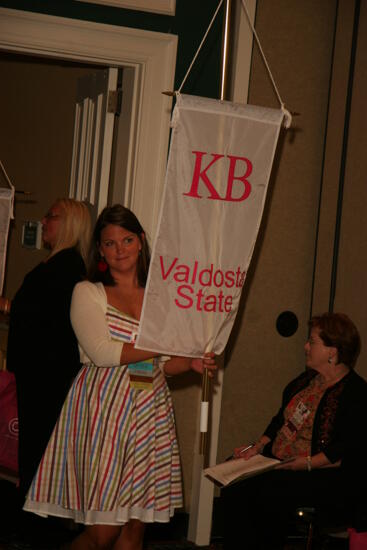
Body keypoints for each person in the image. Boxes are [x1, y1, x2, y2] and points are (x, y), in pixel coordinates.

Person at [23, 204, 217, 550]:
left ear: (141, 241)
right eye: (110, 243)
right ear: (100, 249)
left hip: (149, 413)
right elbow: (103, 352)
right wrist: (159, 345)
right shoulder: (88, 291)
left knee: (133, 530)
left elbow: (162, 364)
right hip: (103, 411)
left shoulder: (161, 298)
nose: (120, 250)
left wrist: (188, 363)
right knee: (102, 533)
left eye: (127, 240)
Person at [221, 312, 367, 549]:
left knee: (268, 494)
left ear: (333, 351)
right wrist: (257, 446)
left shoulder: (356, 394)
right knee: (234, 478)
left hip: (323, 474)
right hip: (280, 462)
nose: (305, 346)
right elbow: (280, 420)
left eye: (312, 341)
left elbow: (345, 451)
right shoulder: (307, 380)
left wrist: (305, 463)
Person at [0, 198, 91, 504]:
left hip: (48, 375)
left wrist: (11, 307)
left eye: (50, 216)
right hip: (37, 372)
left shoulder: (67, 268)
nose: (42, 221)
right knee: (34, 443)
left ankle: (38, 514)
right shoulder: (55, 264)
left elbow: (50, 320)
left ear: (67, 225)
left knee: (41, 445)